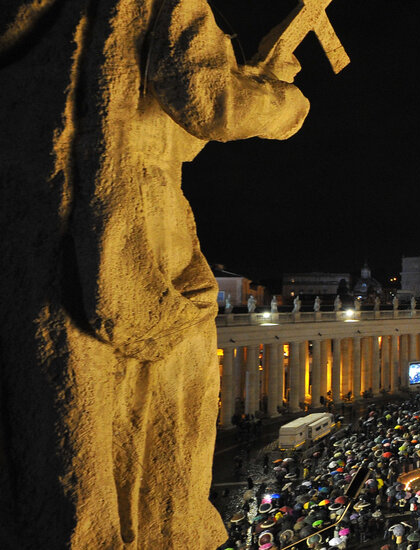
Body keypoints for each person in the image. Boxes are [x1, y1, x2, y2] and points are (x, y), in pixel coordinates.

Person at [0, 0, 309, 546]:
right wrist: (283, 100)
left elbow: (167, 117)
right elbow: (206, 99)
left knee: (57, 420)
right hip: (129, 224)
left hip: (26, 221)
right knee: (167, 397)